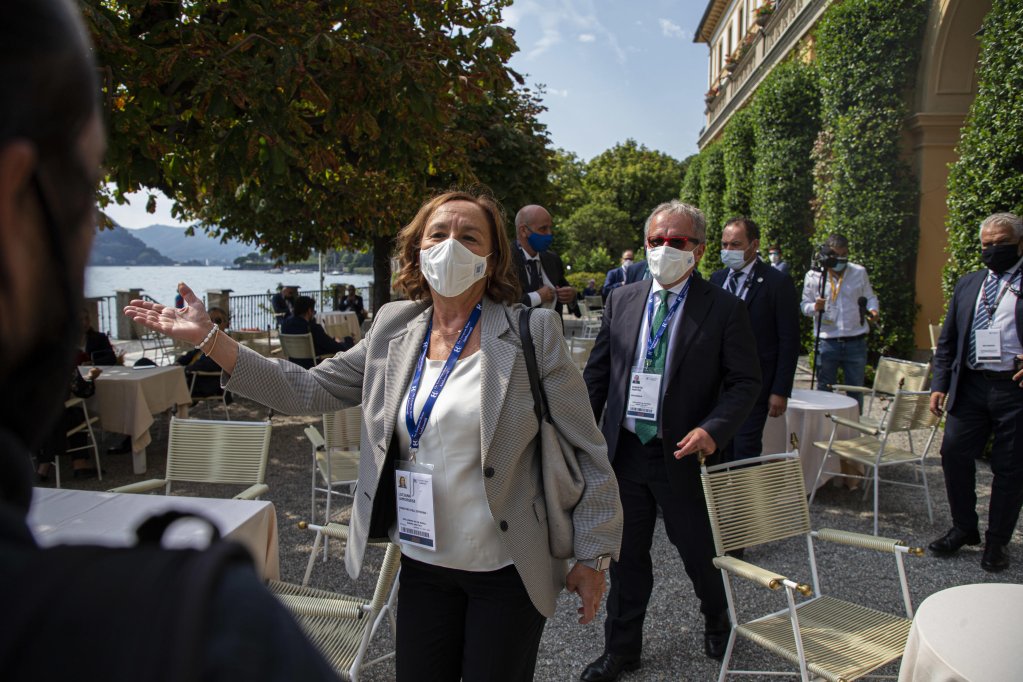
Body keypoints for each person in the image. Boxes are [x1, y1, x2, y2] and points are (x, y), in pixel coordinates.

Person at [125, 189, 625, 682]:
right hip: (424, 565)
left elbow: (586, 447)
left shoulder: (530, 333)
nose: (451, 245)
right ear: (418, 250)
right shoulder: (394, 327)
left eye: (469, 236)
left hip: (507, 569)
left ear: (492, 259)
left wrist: (593, 555)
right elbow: (308, 389)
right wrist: (211, 340)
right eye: (438, 234)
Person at [0, 2, 338, 680]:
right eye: (86, 196)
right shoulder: (190, 637)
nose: (91, 233)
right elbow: (305, 387)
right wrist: (211, 336)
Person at [581, 200, 761, 681]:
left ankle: (718, 620)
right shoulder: (623, 299)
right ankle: (622, 649)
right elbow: (599, 375)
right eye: (655, 241)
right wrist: (580, 435)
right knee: (628, 558)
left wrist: (713, 429)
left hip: (682, 453)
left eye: (676, 241)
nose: (663, 249)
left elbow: (745, 382)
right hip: (625, 452)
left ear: (698, 251)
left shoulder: (725, 309)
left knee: (699, 552)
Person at [928, 212, 1023, 573]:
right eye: (986, 244)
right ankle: (964, 527)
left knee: (1010, 468)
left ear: (1019, 244)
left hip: (1013, 388)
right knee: (953, 452)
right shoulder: (970, 283)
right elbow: (949, 339)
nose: (992, 250)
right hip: (970, 385)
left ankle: (997, 542)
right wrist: (939, 384)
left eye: (1001, 244)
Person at [710, 218, 800, 461]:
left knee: (744, 449)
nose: (728, 251)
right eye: (724, 244)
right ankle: (719, 498)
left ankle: (745, 498)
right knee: (717, 447)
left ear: (754, 244)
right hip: (718, 384)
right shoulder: (717, 280)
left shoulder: (776, 282)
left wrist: (780, 390)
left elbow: (789, 339)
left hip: (756, 385)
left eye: (736, 244)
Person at [800, 233, 879, 411]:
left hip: (855, 340)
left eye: (844, 255)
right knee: (824, 388)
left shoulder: (858, 272)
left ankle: (854, 429)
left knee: (855, 390)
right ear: (828, 254)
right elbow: (804, 306)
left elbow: (870, 297)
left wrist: (874, 310)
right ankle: (823, 427)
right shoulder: (814, 276)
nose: (841, 260)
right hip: (828, 341)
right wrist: (814, 307)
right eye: (837, 255)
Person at [511, 203, 581, 317]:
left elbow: (566, 289)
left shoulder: (552, 259)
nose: (549, 234)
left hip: (552, 333)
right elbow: (503, 303)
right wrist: (537, 297)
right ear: (523, 230)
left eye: (550, 228)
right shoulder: (504, 260)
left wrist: (571, 295)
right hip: (518, 333)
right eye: (543, 229)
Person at [36, 366, 103, 481]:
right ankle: (80, 464)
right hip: (54, 421)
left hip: (29, 422)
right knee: (76, 415)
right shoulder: (62, 363)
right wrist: (91, 377)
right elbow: (84, 391)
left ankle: (43, 468)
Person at [280, 295, 354, 368]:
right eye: (313, 311)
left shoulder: (285, 325)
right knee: (348, 341)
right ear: (309, 311)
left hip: (294, 363)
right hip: (312, 364)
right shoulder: (312, 328)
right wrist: (341, 341)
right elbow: (331, 346)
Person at [176, 307, 231, 399]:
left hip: (201, 383)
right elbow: (190, 356)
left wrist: (182, 369)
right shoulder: (206, 341)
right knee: (145, 362)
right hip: (189, 378)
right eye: (209, 320)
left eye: (217, 321)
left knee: (162, 383)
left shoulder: (224, 344)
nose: (213, 324)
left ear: (226, 324)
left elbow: (206, 365)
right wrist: (177, 363)